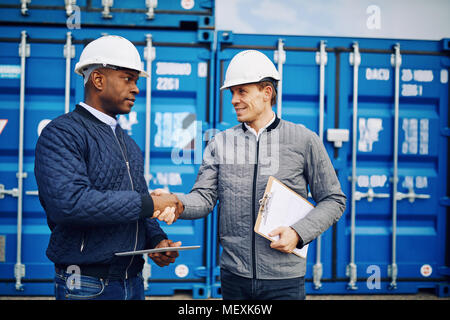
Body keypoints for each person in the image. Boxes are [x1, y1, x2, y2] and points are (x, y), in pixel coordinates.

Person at [154, 50, 347, 300]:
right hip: (234, 278)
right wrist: (175, 202)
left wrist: (299, 233)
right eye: (232, 93)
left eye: (242, 91)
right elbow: (204, 198)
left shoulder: (304, 140)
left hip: (284, 281)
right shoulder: (220, 143)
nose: (234, 99)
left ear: (267, 92)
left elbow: (334, 200)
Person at [34, 35, 181, 300]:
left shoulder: (129, 144)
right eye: (128, 79)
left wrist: (157, 241)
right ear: (98, 80)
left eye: (136, 81)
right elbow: (70, 203)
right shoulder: (62, 133)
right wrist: (152, 204)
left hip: (132, 282)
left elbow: (139, 208)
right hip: (85, 285)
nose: (136, 88)